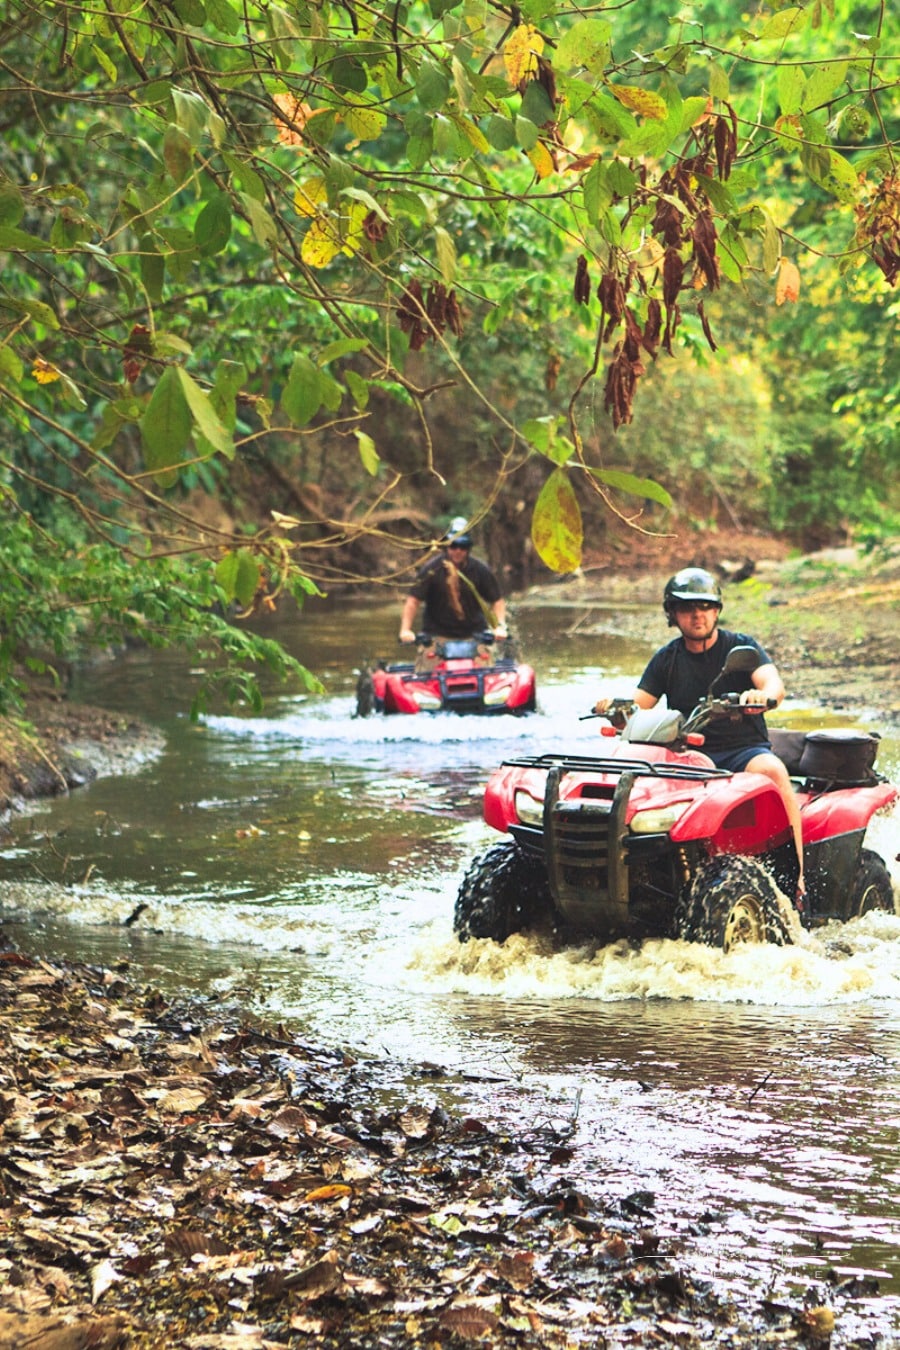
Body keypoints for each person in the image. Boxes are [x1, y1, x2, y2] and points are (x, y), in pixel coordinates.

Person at [594, 566, 805, 899]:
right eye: (687, 608)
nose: (697, 615)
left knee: (772, 770)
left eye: (705, 607)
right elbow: (638, 707)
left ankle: (798, 881)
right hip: (690, 755)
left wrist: (761, 697)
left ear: (717, 610)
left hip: (743, 751)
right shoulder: (667, 659)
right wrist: (615, 710)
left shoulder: (741, 648)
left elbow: (773, 684)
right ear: (673, 614)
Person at [398, 518, 508, 643]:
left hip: (476, 637)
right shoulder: (431, 569)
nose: (458, 551)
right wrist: (405, 630)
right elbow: (413, 601)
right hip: (435, 637)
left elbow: (497, 601)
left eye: (463, 546)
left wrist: (500, 626)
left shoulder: (480, 570)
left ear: (468, 548)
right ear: (447, 546)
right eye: (454, 546)